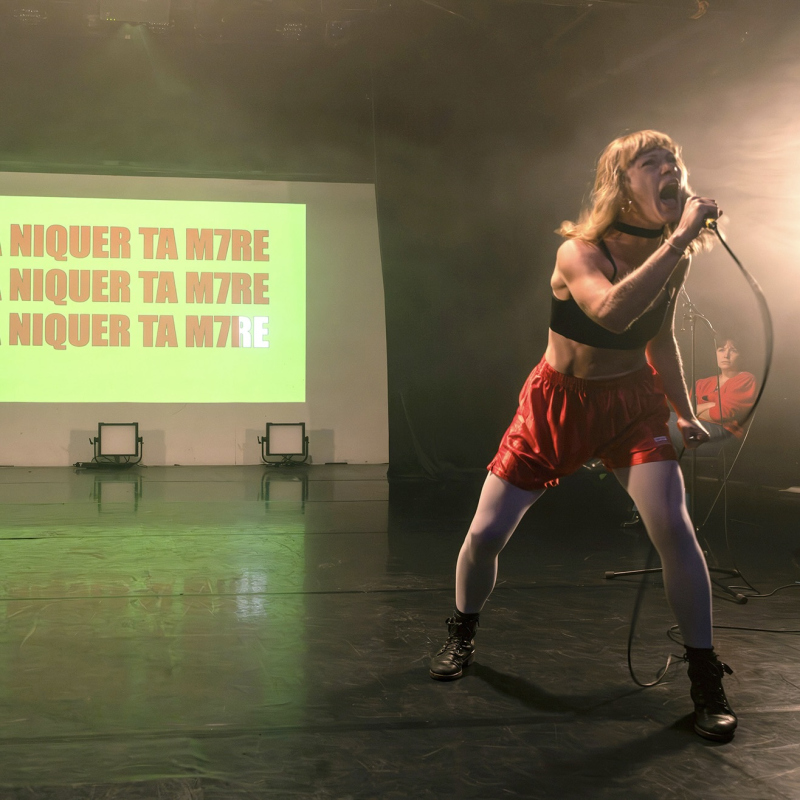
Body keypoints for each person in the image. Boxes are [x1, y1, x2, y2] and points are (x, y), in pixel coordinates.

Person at [429, 130, 738, 742]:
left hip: (631, 407)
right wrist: (678, 240)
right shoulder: (580, 251)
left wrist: (682, 411)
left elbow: (657, 338)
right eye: (650, 161)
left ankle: (705, 676)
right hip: (557, 406)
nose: (668, 169)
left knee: (675, 530)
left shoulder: (672, 257)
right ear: (622, 185)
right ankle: (462, 630)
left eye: (673, 160)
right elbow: (613, 313)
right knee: (485, 535)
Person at [695, 336, 756, 440]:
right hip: (696, 430)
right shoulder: (701, 383)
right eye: (721, 350)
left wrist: (696, 411)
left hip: (724, 435)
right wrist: (711, 405)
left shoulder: (746, 379)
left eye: (733, 351)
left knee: (669, 422)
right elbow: (685, 411)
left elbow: (721, 414)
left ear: (741, 356)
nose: (726, 355)